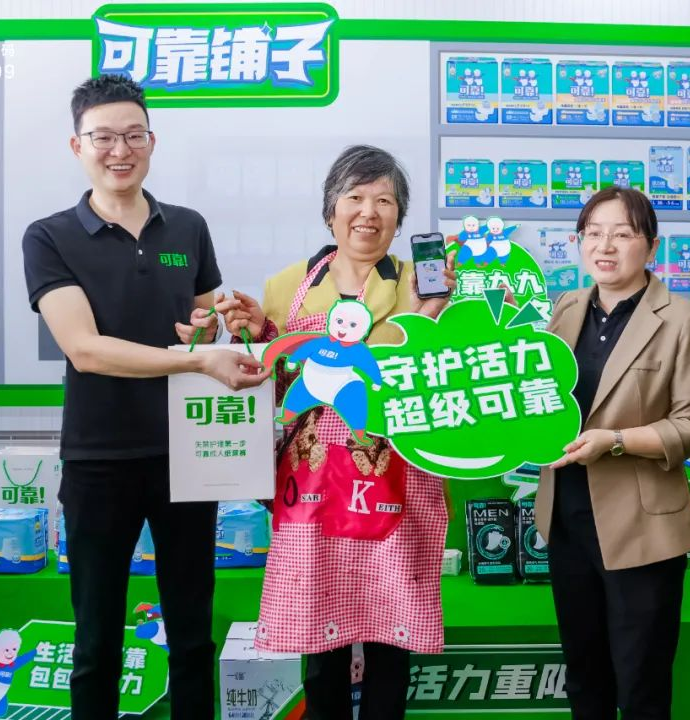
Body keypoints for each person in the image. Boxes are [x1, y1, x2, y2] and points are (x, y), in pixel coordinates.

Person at [21, 75, 268, 720]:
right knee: (96, 640)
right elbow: (86, 349)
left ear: (151, 141)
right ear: (78, 145)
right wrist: (197, 356)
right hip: (98, 459)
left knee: (191, 633)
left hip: (189, 455)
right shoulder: (48, 236)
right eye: (104, 137)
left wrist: (220, 328)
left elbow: (202, 325)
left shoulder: (187, 226)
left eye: (133, 135)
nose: (120, 150)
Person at [217, 145, 455, 719]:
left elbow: (438, 387)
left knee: (391, 639)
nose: (368, 212)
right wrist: (257, 334)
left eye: (385, 201)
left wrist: (431, 315)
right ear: (331, 212)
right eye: (355, 197)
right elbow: (274, 385)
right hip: (312, 489)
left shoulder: (425, 287)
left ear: (399, 218)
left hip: (396, 483)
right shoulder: (286, 285)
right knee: (319, 645)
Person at [537, 186, 690, 720]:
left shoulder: (684, 319)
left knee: (641, 683)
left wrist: (614, 441)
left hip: (642, 527)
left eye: (622, 234)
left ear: (651, 246)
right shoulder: (567, 308)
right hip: (567, 518)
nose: (605, 246)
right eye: (593, 233)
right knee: (583, 674)